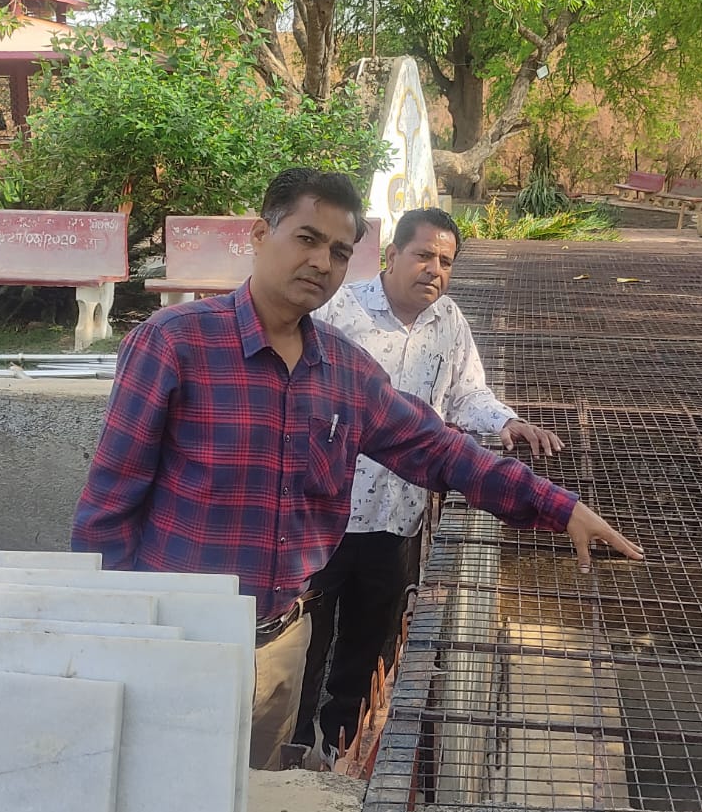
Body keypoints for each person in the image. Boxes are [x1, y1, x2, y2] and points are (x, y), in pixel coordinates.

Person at [72, 167, 642, 770]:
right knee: (159, 786)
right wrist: (109, 632)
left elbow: (438, 448)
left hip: (279, 644)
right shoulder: (174, 343)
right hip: (180, 639)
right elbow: (109, 505)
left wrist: (557, 505)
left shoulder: (345, 371)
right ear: (260, 235)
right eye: (307, 238)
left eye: (340, 252)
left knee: (253, 796)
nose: (322, 262)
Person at [293, 207, 560, 759]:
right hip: (323, 513)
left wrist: (506, 422)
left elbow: (467, 393)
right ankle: (290, 753)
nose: (434, 270)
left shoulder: (449, 321)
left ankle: (341, 752)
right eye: (423, 255)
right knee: (303, 647)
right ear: (392, 255)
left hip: (397, 518)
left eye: (445, 261)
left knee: (368, 647)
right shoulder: (338, 312)